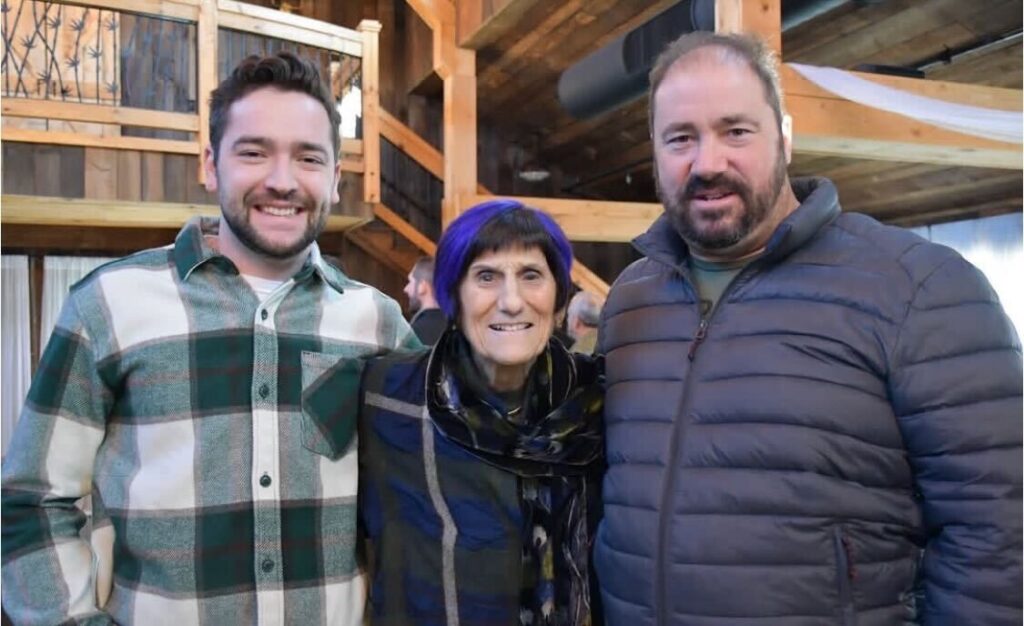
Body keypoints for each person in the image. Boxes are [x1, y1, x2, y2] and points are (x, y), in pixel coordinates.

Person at [594, 31, 1022, 626]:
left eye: (735, 131)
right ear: (655, 153)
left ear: (786, 138)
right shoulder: (631, 302)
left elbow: (1000, 531)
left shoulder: (919, 288)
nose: (708, 162)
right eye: (681, 138)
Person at [1, 52, 414, 625]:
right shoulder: (108, 306)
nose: (282, 180)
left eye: (308, 158)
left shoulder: (380, 323)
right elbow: (30, 499)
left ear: (336, 180)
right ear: (211, 166)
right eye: (254, 152)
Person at [358, 199, 605, 626]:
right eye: (486, 277)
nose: (511, 301)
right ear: (454, 295)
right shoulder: (387, 396)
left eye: (531, 275)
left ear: (559, 295)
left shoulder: (597, 401)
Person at [403, 255, 447, 345]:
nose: (406, 289)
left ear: (422, 287)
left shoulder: (415, 335)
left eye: (410, 281)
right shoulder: (460, 329)